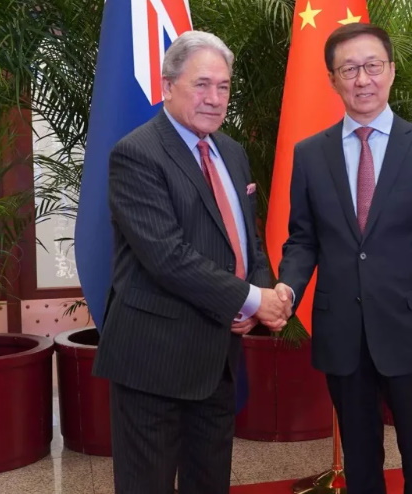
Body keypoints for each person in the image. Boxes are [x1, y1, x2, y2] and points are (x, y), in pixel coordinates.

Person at [93, 31, 290, 494]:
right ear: (168, 86)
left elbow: (247, 243)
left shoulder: (234, 154)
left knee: (210, 481)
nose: (214, 98)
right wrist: (248, 299)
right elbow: (167, 256)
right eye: (202, 84)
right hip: (153, 360)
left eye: (223, 87)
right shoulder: (137, 154)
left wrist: (259, 293)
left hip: (216, 359)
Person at [275, 23, 412, 494]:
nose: (362, 79)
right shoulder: (310, 154)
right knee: (360, 459)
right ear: (332, 80)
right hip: (342, 333)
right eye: (349, 69)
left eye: (372, 66)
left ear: (391, 72)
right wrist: (287, 288)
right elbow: (303, 239)